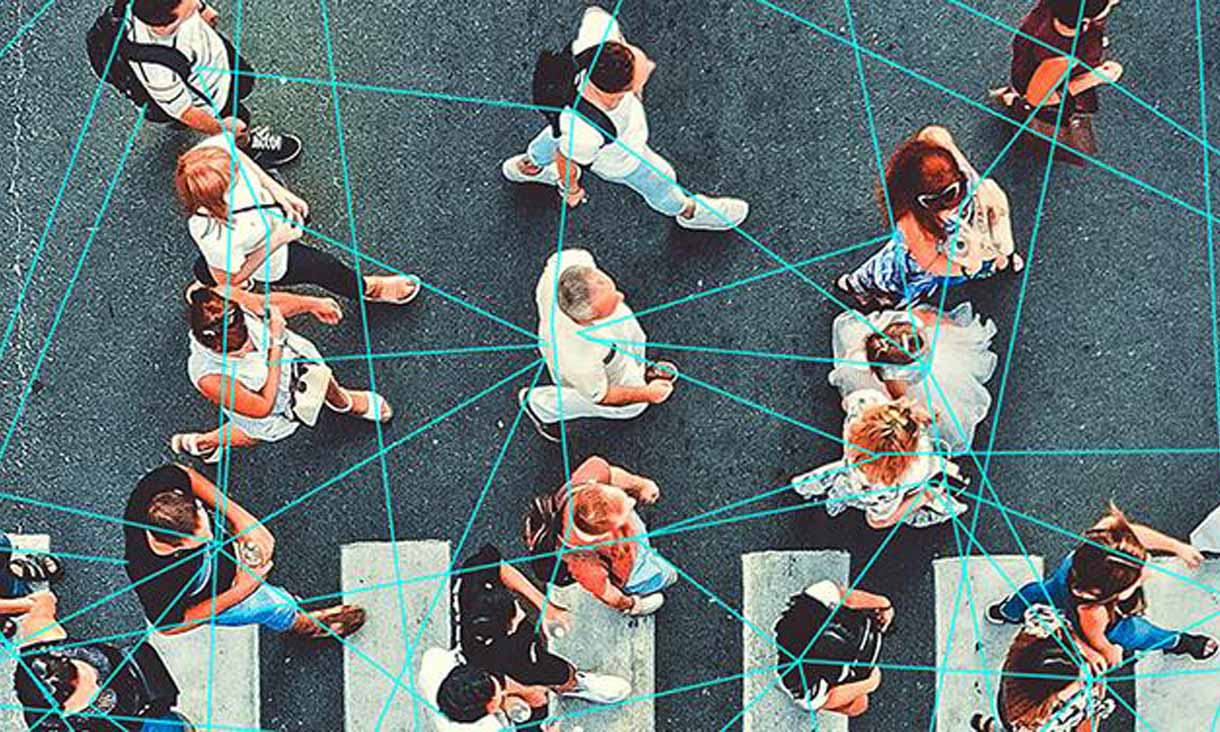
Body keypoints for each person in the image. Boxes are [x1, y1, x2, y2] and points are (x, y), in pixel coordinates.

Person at [502, 5, 748, 231]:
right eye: (640, 76)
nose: (650, 66)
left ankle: (529, 166)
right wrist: (571, 190)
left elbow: (595, 13)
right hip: (619, 158)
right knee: (661, 181)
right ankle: (688, 211)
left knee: (557, 134)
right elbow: (566, 158)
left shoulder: (595, 42)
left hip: (570, 124)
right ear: (617, 92)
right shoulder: (587, 135)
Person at [123, 463, 366, 638]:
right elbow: (169, 627)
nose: (211, 537)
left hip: (222, 568)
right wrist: (241, 591)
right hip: (216, 596)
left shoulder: (156, 491)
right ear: (175, 546)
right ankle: (303, 624)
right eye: (200, 539)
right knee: (275, 605)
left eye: (202, 516)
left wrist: (242, 520)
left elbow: (184, 474)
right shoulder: (152, 578)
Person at [175, 137, 420, 306]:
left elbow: (237, 155)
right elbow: (228, 279)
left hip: (273, 219)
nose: (240, 172)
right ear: (217, 196)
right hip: (272, 257)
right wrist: (276, 240)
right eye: (234, 177)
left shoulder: (209, 157)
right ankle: (368, 289)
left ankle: (204, 281)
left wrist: (280, 193)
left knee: (212, 265)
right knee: (324, 267)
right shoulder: (214, 235)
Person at [171, 290, 394, 462]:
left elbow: (265, 303)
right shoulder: (208, 377)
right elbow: (262, 407)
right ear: (210, 346)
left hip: (296, 362)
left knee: (319, 375)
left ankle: (343, 402)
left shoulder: (226, 300)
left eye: (246, 340)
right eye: (235, 351)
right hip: (273, 403)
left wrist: (311, 303)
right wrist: (275, 345)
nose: (248, 349)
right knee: (253, 434)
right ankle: (204, 442)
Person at [987, 505, 1217, 665]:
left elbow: (1132, 534)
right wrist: (1109, 652)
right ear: (1108, 593)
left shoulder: (1103, 540)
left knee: (1036, 592)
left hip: (1064, 582)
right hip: (1099, 618)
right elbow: (1096, 639)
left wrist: (1176, 547)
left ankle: (1006, 611)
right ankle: (1178, 642)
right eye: (1137, 578)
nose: (1148, 574)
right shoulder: (1093, 613)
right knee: (1141, 634)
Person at [442, 544, 630, 726]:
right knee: (540, 677)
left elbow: (496, 565)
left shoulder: (473, 584)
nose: (521, 616)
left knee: (543, 672)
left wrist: (546, 606)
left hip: (499, 659)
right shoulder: (487, 661)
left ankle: (569, 683)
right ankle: (571, 685)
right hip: (505, 660)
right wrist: (521, 694)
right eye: (513, 622)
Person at [835, 126, 1021, 309]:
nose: (947, 208)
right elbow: (929, 261)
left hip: (971, 247)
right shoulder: (909, 218)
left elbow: (933, 133)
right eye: (933, 201)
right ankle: (857, 286)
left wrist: (976, 181)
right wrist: (967, 268)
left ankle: (997, 263)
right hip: (940, 260)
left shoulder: (961, 177)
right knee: (892, 273)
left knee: (991, 251)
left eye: (951, 194)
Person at [519, 249, 677, 442]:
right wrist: (648, 394)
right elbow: (602, 396)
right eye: (610, 304)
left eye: (613, 291)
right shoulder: (578, 357)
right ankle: (540, 406)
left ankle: (641, 371)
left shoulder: (572, 261)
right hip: (588, 372)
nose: (621, 297)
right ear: (586, 319)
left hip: (608, 341)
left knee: (634, 337)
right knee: (628, 406)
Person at [125, 0, 300, 167]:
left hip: (218, 60)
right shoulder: (156, 70)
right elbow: (183, 110)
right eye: (190, 6)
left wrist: (201, 8)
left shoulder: (167, 11)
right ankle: (248, 148)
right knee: (239, 123)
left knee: (244, 83)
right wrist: (221, 128)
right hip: (212, 99)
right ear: (167, 23)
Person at [10, 591, 194, 731]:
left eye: (83, 673)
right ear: (64, 712)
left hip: (136, 688)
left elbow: (41, 603)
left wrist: (22, 603)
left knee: (170, 722)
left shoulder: (46, 642)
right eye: (87, 694)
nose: (95, 683)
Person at [827, 303, 998, 453]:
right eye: (924, 349)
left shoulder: (912, 324)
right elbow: (900, 398)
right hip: (920, 380)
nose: (928, 348)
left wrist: (954, 328)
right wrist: (921, 409)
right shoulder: (894, 375)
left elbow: (930, 318)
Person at [790, 391, 968, 529]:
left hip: (854, 475)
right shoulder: (914, 470)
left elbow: (847, 402)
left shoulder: (864, 405)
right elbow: (878, 521)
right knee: (938, 496)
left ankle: (817, 490)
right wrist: (926, 495)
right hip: (881, 490)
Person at [524, 455, 676, 616]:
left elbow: (610, 474)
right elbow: (608, 595)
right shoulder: (583, 563)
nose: (631, 501)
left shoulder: (585, 484)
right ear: (599, 538)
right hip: (632, 568)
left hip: (627, 550)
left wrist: (640, 485)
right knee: (666, 575)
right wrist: (632, 604)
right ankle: (663, 577)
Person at [989, 0, 1121, 162]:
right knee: (1035, 106)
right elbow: (1038, 98)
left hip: (1032, 61)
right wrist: (1094, 78)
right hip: (1045, 81)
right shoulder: (1063, 56)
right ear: (1085, 19)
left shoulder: (1059, 9)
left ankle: (1013, 98)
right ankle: (1014, 102)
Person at [971, 604, 1114, 732]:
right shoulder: (1026, 709)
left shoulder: (1030, 716)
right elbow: (1043, 620)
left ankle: (990, 727)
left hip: (1028, 709)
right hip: (1028, 704)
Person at [773, 580, 892, 718]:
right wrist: (871, 684)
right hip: (798, 678)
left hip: (794, 637)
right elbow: (830, 698)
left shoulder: (813, 601)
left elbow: (847, 598)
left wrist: (883, 604)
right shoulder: (803, 684)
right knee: (859, 704)